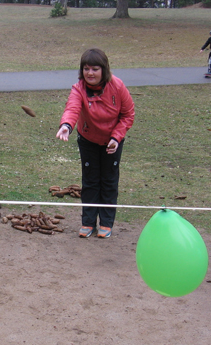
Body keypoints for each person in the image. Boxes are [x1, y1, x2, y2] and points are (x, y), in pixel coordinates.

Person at [56, 48, 135, 239]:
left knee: (109, 181)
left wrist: (116, 138)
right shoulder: (79, 89)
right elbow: (72, 108)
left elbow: (128, 115)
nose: (90, 73)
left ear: (104, 70)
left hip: (112, 141)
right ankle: (88, 222)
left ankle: (106, 224)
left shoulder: (117, 86)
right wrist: (66, 125)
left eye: (95, 69)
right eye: (86, 69)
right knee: (90, 181)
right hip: (88, 140)